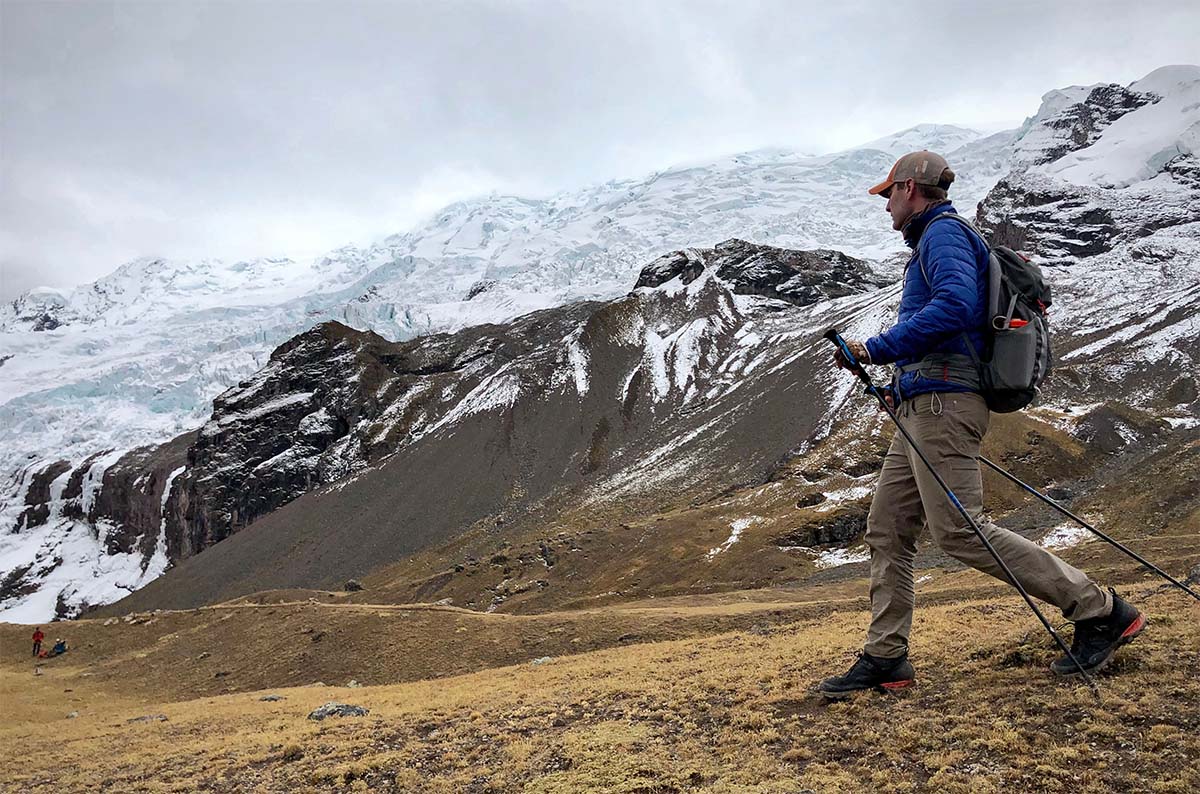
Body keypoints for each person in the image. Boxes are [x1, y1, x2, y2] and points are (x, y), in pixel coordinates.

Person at [815, 151, 1147, 699]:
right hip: (925, 405)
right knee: (889, 528)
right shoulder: (935, 240)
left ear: (910, 189)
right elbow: (951, 322)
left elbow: (953, 307)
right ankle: (885, 657)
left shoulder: (943, 235)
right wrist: (901, 384)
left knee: (961, 531)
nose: (885, 204)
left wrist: (874, 349)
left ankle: (1100, 609)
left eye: (889, 193)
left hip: (944, 406)